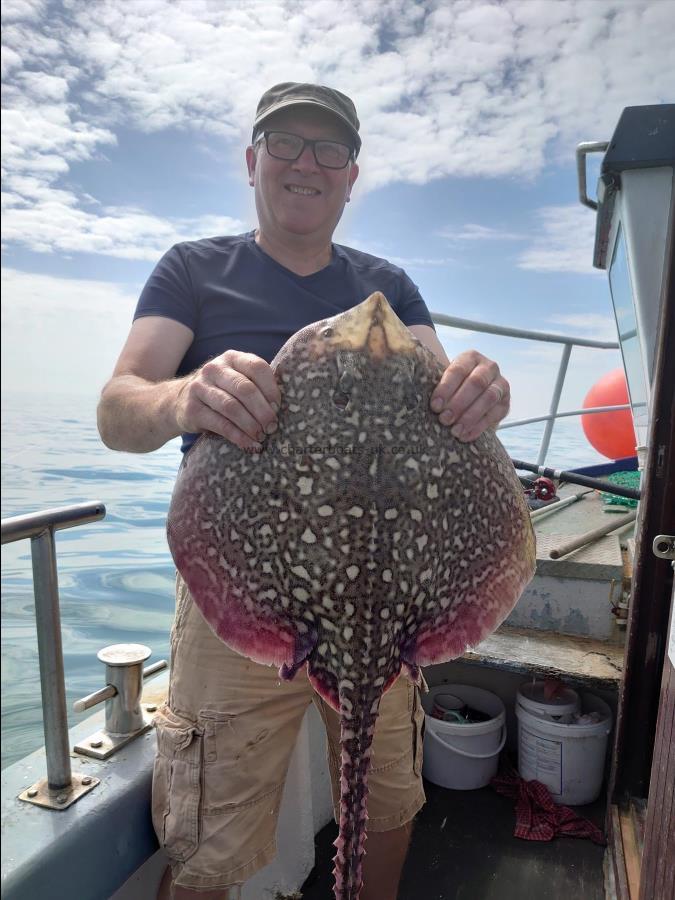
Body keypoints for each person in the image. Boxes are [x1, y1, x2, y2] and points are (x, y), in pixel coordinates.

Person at [97, 82, 511, 900]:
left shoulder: (388, 286)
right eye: (285, 143)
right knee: (210, 838)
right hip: (240, 590)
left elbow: (447, 396)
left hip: (391, 590)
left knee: (387, 795)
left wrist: (481, 391)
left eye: (328, 150)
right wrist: (185, 397)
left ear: (351, 176)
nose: (305, 163)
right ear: (251, 161)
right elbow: (118, 409)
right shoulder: (193, 269)